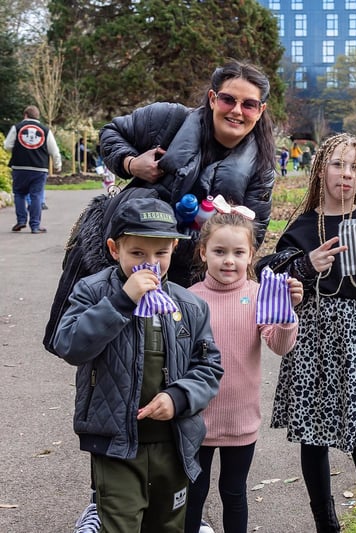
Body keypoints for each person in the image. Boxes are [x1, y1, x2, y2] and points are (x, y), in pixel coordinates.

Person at [266, 133, 356, 533]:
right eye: (337, 164)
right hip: (311, 339)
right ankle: (326, 525)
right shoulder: (302, 227)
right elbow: (271, 278)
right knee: (313, 437)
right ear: (320, 169)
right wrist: (305, 264)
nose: (346, 174)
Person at [52, 196, 224, 532]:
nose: (150, 264)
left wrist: (178, 398)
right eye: (137, 254)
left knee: (167, 524)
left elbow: (209, 367)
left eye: (160, 254)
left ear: (175, 247)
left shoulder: (189, 305)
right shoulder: (94, 291)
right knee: (119, 523)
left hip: (173, 444)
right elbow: (69, 344)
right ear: (115, 249)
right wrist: (121, 301)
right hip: (115, 445)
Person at [99, 59, 276, 287]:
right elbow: (111, 132)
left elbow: (254, 233)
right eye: (228, 99)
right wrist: (131, 164)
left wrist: (191, 242)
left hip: (193, 281)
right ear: (213, 99)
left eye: (249, 104)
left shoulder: (262, 167)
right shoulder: (167, 119)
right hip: (126, 259)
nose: (236, 111)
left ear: (260, 110)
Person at [186, 211, 303, 533]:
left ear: (251, 255)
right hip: (196, 419)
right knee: (193, 494)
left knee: (234, 493)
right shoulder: (191, 299)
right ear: (203, 252)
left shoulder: (258, 295)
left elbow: (279, 346)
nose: (229, 261)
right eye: (219, 251)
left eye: (238, 253)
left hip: (241, 420)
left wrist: (287, 316)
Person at [5, 105, 62, 233]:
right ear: (38, 116)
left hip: (19, 166)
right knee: (36, 195)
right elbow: (54, 151)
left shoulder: (17, 127)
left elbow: (7, 145)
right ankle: (35, 226)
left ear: (25, 115)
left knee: (19, 194)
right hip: (39, 168)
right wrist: (58, 165)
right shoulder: (45, 130)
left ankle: (21, 221)